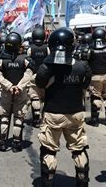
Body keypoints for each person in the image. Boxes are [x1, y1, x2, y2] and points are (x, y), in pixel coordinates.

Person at [36, 28, 91, 187]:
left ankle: (48, 182)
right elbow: (85, 85)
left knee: (49, 149)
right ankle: (82, 182)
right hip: (75, 113)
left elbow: (39, 84)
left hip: (53, 113)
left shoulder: (46, 66)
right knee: (79, 149)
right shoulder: (82, 66)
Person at [0, 33, 34, 152]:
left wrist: (9, 86)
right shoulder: (25, 60)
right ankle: (17, 143)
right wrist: (19, 87)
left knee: (4, 117)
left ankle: (1, 142)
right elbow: (29, 74)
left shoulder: (2, 61)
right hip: (20, 92)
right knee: (19, 117)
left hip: (6, 92)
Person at [87, 27, 106, 127]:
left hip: (95, 77)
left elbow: (86, 62)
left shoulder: (90, 48)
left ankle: (94, 119)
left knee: (95, 97)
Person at [26, 26, 49, 127]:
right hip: (45, 75)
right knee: (47, 98)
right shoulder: (47, 48)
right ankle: (45, 120)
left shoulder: (30, 49)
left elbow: (28, 63)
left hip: (34, 76)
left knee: (35, 98)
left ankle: (36, 120)